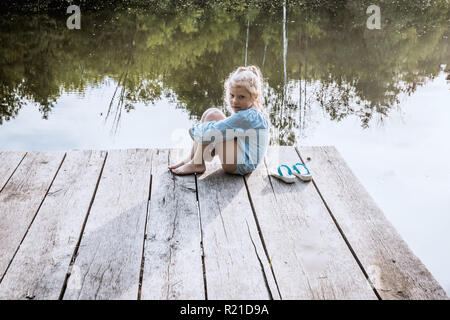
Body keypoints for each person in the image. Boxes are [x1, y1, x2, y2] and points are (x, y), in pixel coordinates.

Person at [168, 65, 270, 176]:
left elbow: (214, 131)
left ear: (255, 96)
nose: (234, 101)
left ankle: (196, 163)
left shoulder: (247, 117)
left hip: (241, 164)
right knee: (212, 113)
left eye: (241, 97)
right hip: (242, 158)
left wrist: (194, 130)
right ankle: (193, 158)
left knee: (213, 126)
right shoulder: (251, 112)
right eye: (232, 95)